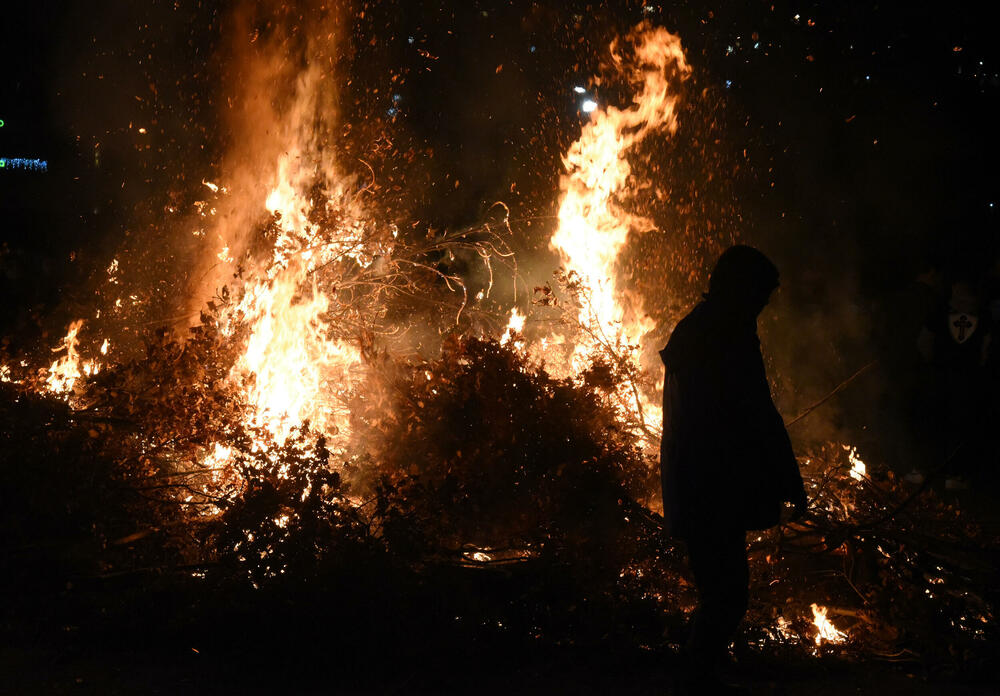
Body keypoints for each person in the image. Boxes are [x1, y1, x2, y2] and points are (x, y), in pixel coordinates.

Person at [659, 245, 807, 693]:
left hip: (703, 481)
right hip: (711, 483)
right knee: (726, 592)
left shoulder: (709, 328)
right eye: (761, 293)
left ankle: (701, 674)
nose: (765, 303)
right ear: (741, 289)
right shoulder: (724, 334)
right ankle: (697, 678)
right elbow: (754, 413)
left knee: (723, 589)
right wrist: (787, 480)